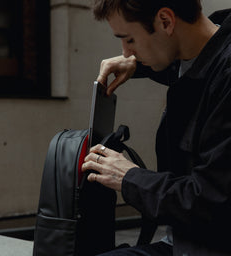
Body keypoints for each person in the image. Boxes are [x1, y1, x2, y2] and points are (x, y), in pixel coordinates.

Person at [82, 0, 231, 255]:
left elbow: (212, 202)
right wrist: (139, 65)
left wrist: (129, 177)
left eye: (129, 40)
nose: (126, 53)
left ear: (165, 21)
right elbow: (189, 70)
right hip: (184, 239)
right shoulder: (198, 52)